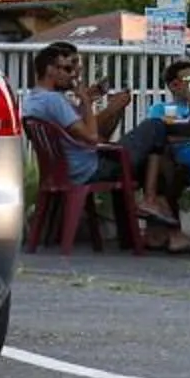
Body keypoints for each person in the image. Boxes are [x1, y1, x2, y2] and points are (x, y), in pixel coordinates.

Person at [18, 42, 139, 239]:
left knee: (147, 157)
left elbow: (84, 133)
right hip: (85, 170)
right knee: (153, 132)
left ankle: (135, 235)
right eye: (67, 68)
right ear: (50, 70)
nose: (73, 74)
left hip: (65, 170)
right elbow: (92, 137)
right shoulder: (54, 101)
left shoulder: (33, 99)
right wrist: (88, 102)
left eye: (75, 69)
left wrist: (88, 101)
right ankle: (147, 233)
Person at [115, 58, 190, 248]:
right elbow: (158, 139)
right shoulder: (162, 109)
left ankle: (161, 234)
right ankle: (169, 234)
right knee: (165, 168)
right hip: (174, 159)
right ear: (173, 85)